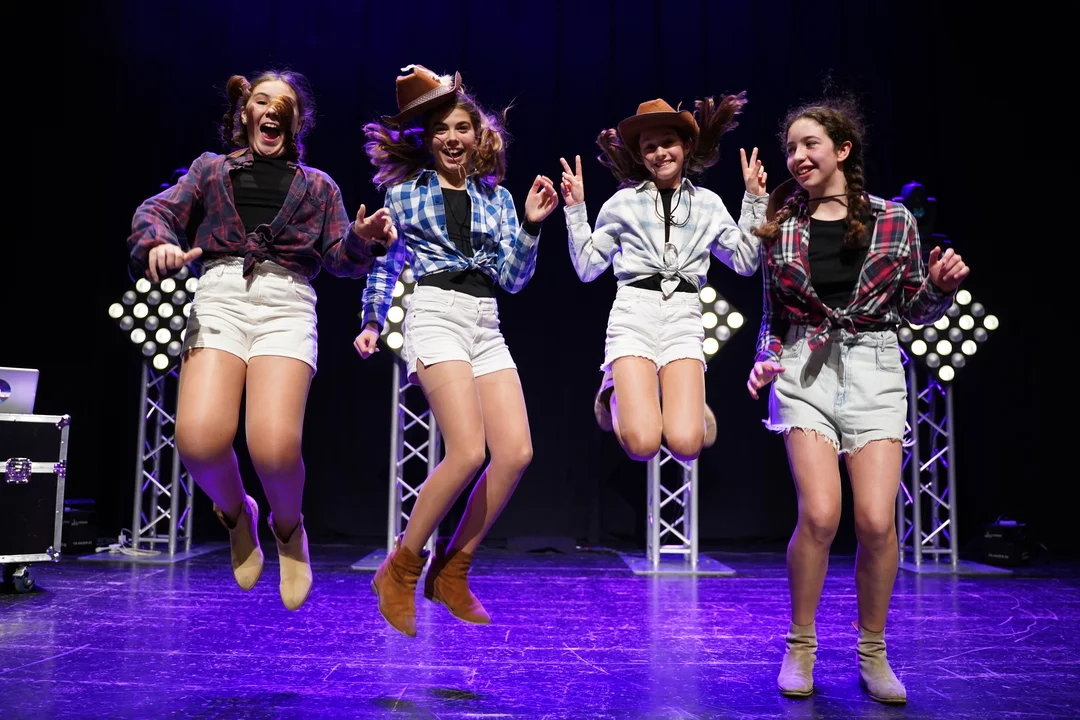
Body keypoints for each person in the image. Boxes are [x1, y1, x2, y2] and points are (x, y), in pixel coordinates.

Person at [127, 69, 395, 611]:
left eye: (284, 104)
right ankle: (237, 514)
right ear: (245, 112)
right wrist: (157, 243)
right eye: (260, 100)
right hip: (220, 295)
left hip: (286, 303)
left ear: (297, 121)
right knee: (199, 441)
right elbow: (156, 211)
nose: (271, 109)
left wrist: (363, 241)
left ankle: (289, 530)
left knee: (273, 447)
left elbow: (340, 258)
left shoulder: (318, 186)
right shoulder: (209, 169)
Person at [746, 96, 970, 704]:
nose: (797, 157)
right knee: (820, 515)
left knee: (874, 521)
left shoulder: (894, 220)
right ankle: (801, 645)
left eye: (809, 144)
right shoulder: (780, 225)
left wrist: (939, 290)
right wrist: (765, 358)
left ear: (842, 150)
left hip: (874, 369)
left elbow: (915, 309)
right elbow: (772, 316)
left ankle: (873, 651)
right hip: (804, 369)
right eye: (790, 148)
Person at [354, 65, 558, 637]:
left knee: (515, 452)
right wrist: (372, 319)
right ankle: (401, 568)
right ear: (427, 138)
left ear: (478, 136)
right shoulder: (402, 195)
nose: (451, 137)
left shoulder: (498, 199)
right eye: (441, 128)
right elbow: (386, 265)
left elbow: (513, 280)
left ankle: (453, 569)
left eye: (462, 128)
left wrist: (531, 226)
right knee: (467, 451)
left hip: (486, 321)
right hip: (435, 314)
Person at [559, 94, 767, 462]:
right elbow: (588, 267)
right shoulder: (622, 203)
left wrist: (754, 201)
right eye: (649, 147)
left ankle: (677, 403)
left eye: (667, 142)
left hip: (684, 317)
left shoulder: (708, 203)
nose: (659, 153)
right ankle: (612, 392)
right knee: (643, 446)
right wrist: (576, 210)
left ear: (686, 146)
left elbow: (746, 261)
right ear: (640, 155)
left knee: (687, 445)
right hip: (633, 314)